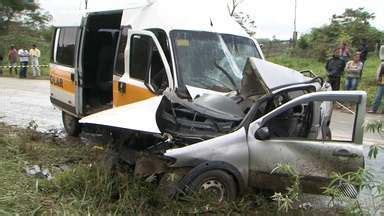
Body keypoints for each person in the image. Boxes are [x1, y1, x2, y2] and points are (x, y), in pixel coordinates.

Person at [368, 46, 384, 113]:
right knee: (378, 96)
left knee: (378, 96)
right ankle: (373, 109)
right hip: (382, 82)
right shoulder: (383, 64)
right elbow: (379, 73)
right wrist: (378, 80)